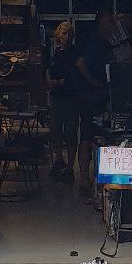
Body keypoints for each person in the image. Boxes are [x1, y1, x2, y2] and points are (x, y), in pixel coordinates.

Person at [73, 10, 116, 194]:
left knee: (101, 135)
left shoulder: (107, 43)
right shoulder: (93, 42)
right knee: (87, 135)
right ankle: (84, 177)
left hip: (102, 95)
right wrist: (93, 82)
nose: (112, 25)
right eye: (109, 22)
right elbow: (80, 63)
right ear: (100, 23)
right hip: (88, 95)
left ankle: (101, 177)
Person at [47, 21, 79, 180]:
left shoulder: (74, 53)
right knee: (55, 129)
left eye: (69, 34)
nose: (66, 37)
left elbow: (73, 75)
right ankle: (59, 160)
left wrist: (60, 82)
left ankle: (70, 167)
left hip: (70, 95)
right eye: (64, 33)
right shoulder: (55, 52)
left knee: (71, 130)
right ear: (58, 35)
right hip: (55, 95)